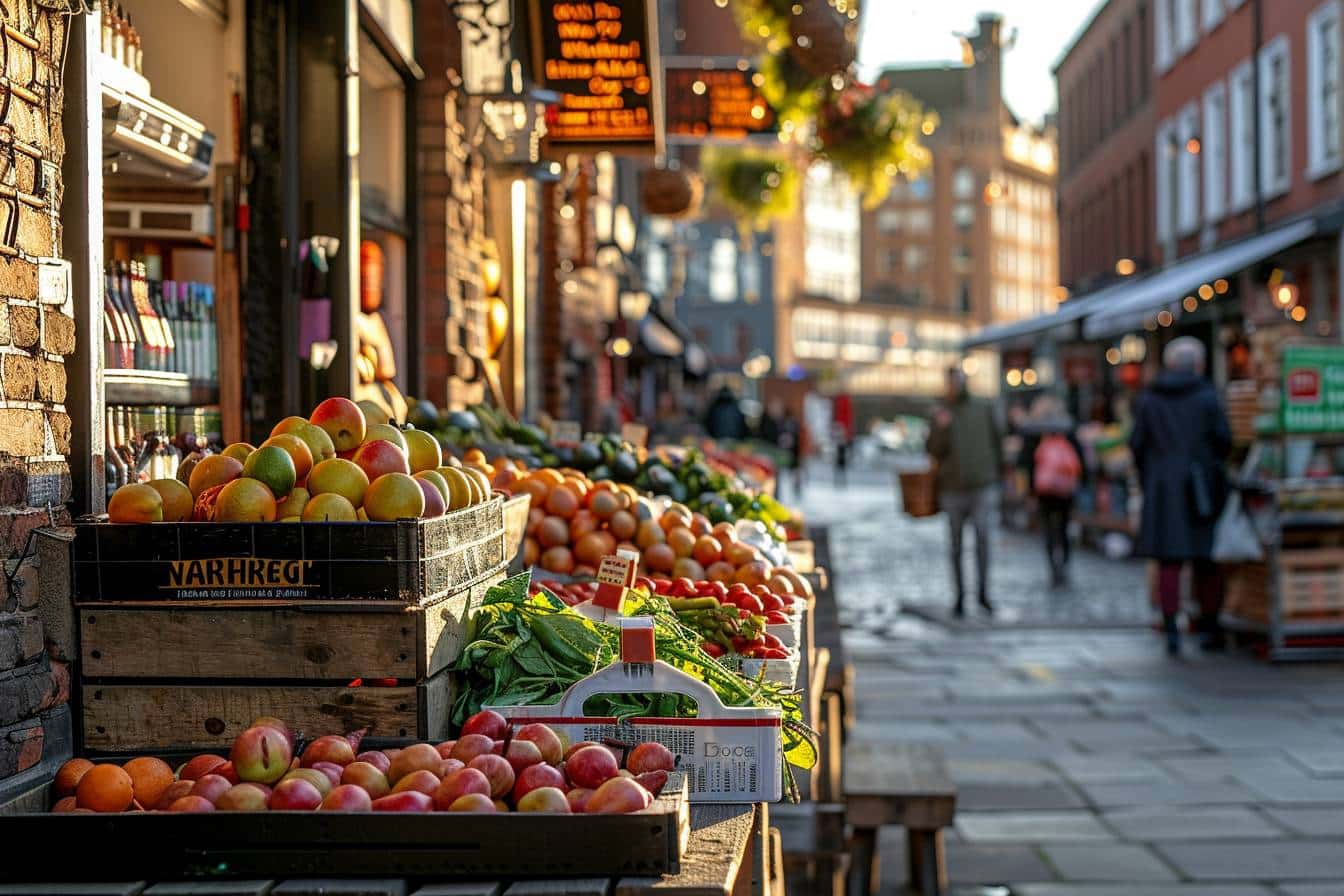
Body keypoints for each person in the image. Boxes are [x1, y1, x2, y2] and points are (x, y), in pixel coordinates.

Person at [1129, 336, 1232, 656]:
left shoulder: (1150, 398)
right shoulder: (1206, 396)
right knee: (1206, 559)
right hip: (1200, 484)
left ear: (1169, 365)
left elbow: (1137, 444)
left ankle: (1171, 627)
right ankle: (1208, 626)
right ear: (1198, 364)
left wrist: (1153, 475)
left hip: (1163, 487)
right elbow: (1223, 440)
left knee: (1168, 561)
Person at [927, 367, 1002, 617]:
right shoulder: (941, 412)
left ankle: (983, 594)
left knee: (982, 538)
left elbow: (997, 441)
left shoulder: (983, 408)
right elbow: (933, 450)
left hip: (982, 483)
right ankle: (959, 596)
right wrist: (940, 427)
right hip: (953, 487)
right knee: (956, 544)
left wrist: (997, 474)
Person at [1020, 396, 1085, 589]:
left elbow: (1025, 462)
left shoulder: (1033, 429)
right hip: (1065, 488)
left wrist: (1029, 491)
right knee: (1064, 527)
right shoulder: (1067, 427)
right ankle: (1064, 564)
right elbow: (1080, 458)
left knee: (1048, 528)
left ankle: (1053, 567)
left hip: (1043, 489)